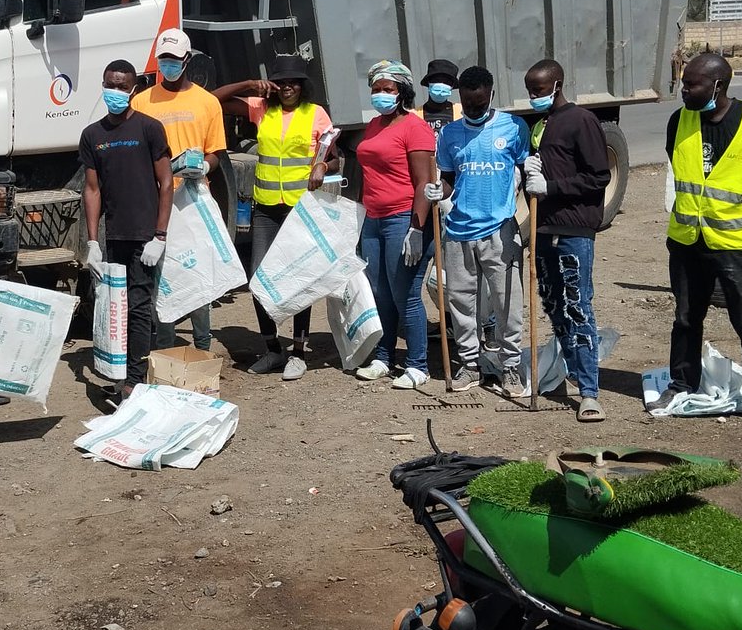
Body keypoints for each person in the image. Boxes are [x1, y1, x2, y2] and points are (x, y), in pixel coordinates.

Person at [653, 52, 742, 430]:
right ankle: (681, 383)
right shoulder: (679, 120)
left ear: (718, 86)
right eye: (683, 82)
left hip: (736, 245)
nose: (683, 90)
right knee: (685, 318)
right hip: (687, 241)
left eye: (691, 84)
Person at [214, 55, 337, 380]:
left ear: (302, 85)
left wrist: (323, 166)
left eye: (294, 81)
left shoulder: (316, 114)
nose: (287, 87)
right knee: (258, 279)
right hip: (266, 208)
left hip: (299, 210)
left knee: (298, 278)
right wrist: (249, 85)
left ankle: (298, 351)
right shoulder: (260, 108)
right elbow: (215, 100)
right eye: (282, 81)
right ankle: (272, 348)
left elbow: (333, 157)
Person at [425, 66, 528, 395]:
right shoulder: (450, 135)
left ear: (491, 95)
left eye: (480, 102)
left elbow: (525, 167)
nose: (474, 108)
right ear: (460, 99)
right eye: (468, 103)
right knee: (461, 303)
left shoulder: (513, 127)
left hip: (500, 231)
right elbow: (449, 179)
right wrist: (438, 191)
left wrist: (535, 180)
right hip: (458, 231)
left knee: (507, 303)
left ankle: (510, 366)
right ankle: (469, 364)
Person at [522, 59, 611, 422]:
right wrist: (529, 172)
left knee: (578, 306)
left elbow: (599, 176)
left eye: (539, 90)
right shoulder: (541, 124)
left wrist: (552, 187)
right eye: (529, 91)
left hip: (574, 231)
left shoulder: (581, 121)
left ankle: (589, 392)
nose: (533, 97)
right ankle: (572, 369)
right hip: (543, 229)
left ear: (557, 85)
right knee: (554, 306)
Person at [80, 59, 174, 401]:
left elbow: (166, 183)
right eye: (110, 84)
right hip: (115, 234)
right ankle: (121, 372)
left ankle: (134, 380)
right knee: (114, 306)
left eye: (122, 86)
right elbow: (92, 189)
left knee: (137, 305)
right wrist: (92, 241)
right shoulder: (93, 135)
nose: (115, 91)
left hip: (145, 236)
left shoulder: (149, 128)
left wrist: (159, 234)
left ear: (134, 89)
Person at [130, 28, 226, 352]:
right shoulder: (142, 102)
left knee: (196, 274)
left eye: (173, 60)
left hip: (195, 198)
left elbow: (216, 151)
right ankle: (167, 348)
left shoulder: (207, 102)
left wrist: (204, 167)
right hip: (157, 199)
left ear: (186, 61)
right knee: (163, 277)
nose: (168, 66)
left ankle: (202, 349)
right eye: (163, 60)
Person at [354, 60, 437, 388]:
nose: (380, 95)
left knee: (405, 293)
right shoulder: (374, 125)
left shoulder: (414, 128)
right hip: (373, 219)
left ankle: (418, 363)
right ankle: (383, 356)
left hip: (403, 218)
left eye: (387, 89)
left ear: (402, 92)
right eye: (375, 89)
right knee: (379, 293)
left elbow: (423, 182)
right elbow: (368, 173)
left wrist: (417, 228)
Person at [419, 58, 461, 140]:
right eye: (436, 80)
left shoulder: (461, 112)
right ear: (428, 83)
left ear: (452, 87)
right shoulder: (414, 115)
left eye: (447, 82)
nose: (441, 84)